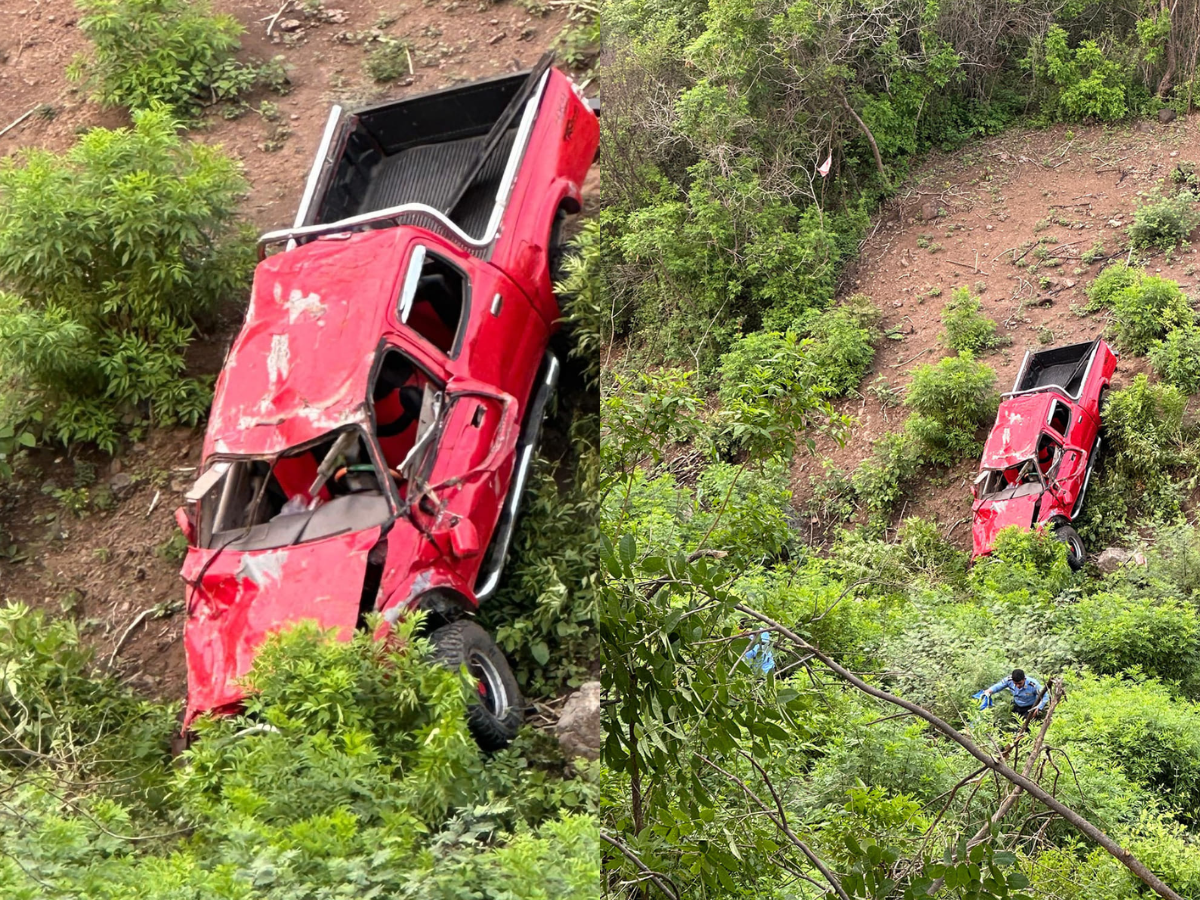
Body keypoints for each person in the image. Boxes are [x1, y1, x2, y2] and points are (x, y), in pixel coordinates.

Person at [983, 669, 1048, 719]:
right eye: (1015, 683)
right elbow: (999, 686)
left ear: (1024, 679)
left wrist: (1038, 708)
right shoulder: (1009, 680)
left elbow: (1045, 696)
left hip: (1030, 707)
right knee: (1015, 724)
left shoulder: (1033, 684)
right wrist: (989, 691)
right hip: (1017, 705)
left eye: (1020, 683)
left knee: (1025, 726)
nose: (1017, 686)